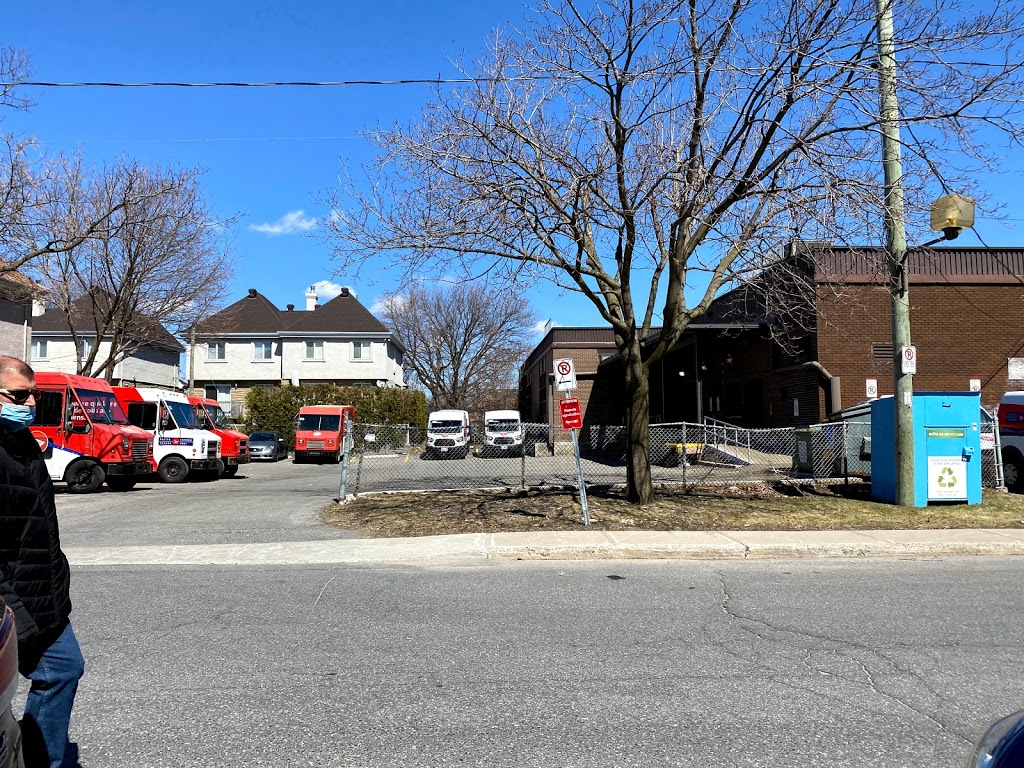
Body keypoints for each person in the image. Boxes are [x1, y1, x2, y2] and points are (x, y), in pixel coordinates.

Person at [0, 356, 84, 768]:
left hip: (42, 598)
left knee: (65, 667)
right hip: (12, 605)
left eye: (32, 393)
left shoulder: (22, 442)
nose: (30, 401)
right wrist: (17, 616)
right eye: (18, 394)